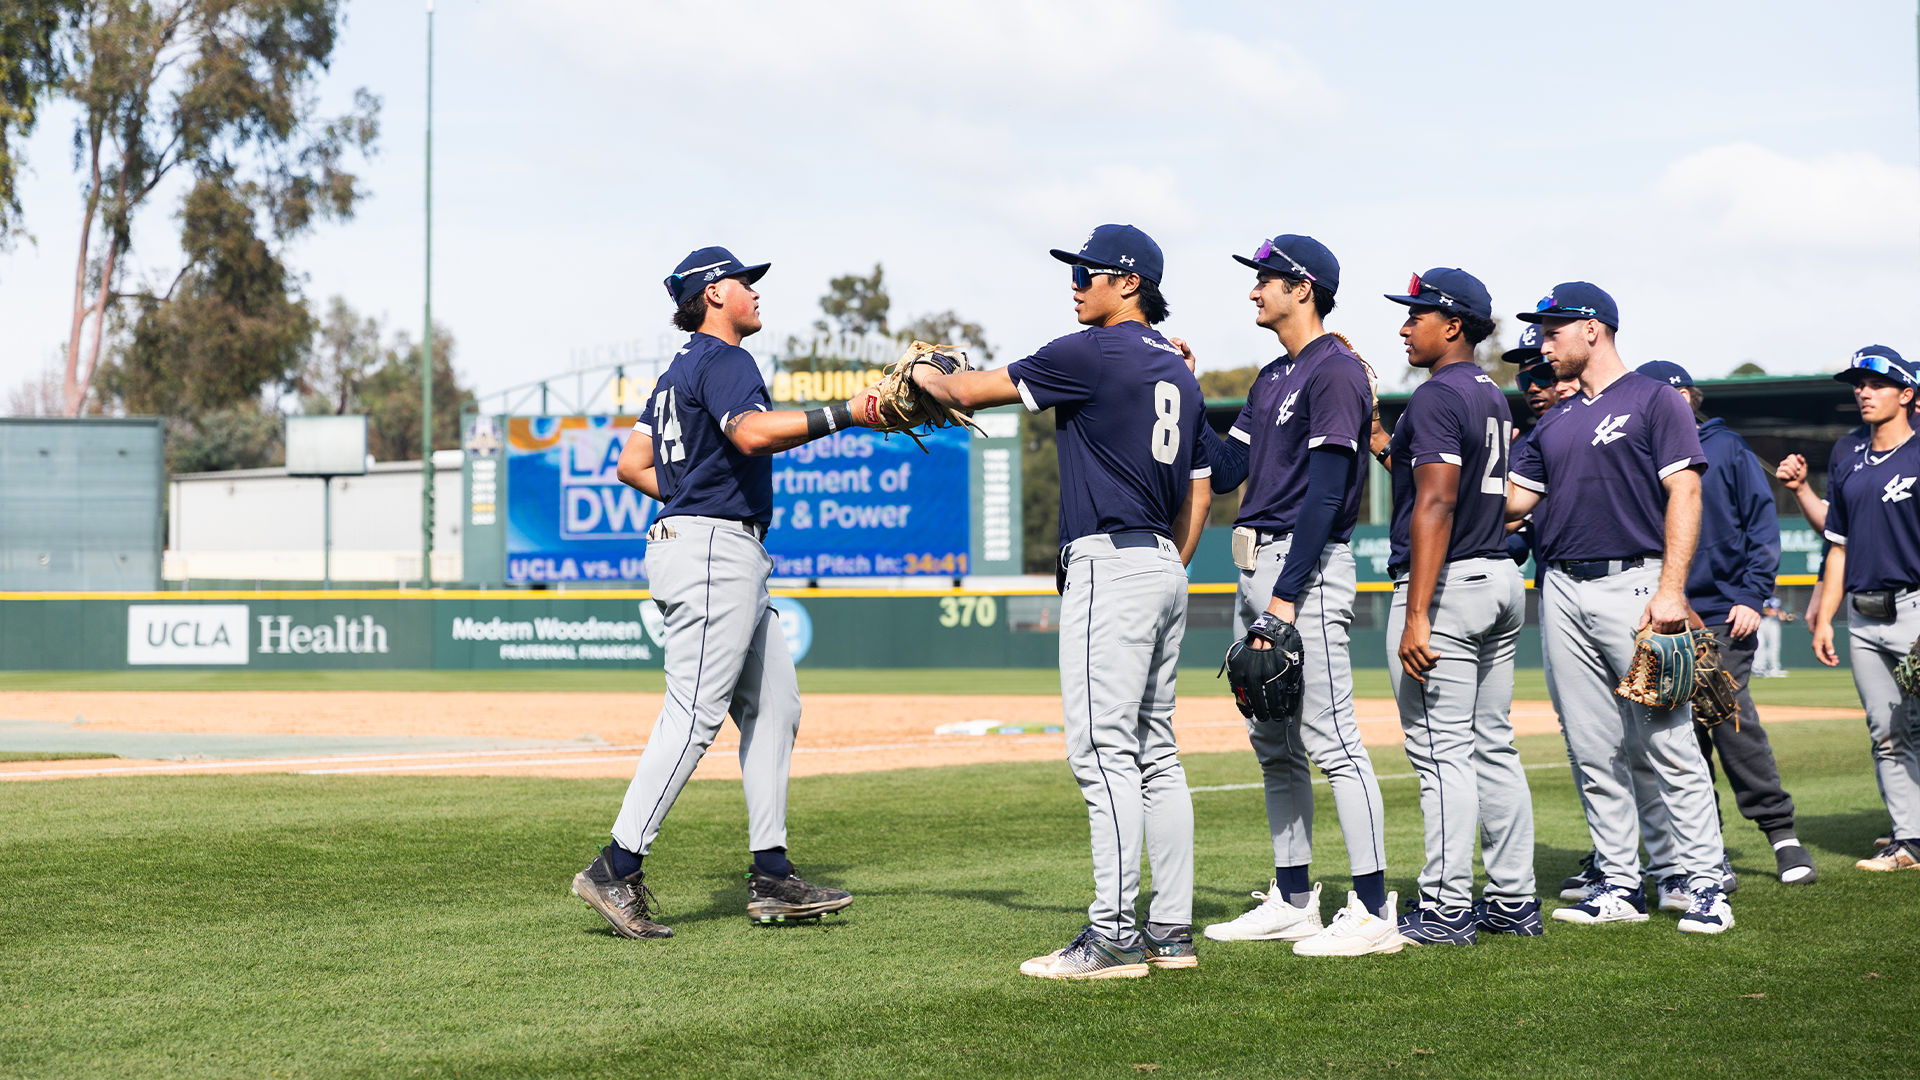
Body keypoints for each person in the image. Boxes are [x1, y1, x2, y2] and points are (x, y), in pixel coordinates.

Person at [913, 223, 1214, 977]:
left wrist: (922, 373)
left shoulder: (1091, 350)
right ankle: (1170, 930)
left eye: (1090, 271)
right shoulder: (1179, 370)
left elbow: (958, 391)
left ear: (1130, 283)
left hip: (1111, 562)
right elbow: (1202, 482)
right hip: (1160, 562)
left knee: (1103, 751)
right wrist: (1171, 563)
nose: (1076, 282)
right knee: (1155, 753)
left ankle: (1112, 933)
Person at [571, 246, 883, 938]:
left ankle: (772, 875)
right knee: (693, 716)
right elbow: (749, 433)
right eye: (746, 281)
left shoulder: (673, 376)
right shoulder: (727, 361)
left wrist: (685, 496)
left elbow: (630, 464)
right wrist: (847, 413)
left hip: (709, 544)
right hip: (713, 549)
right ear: (714, 294)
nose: (755, 291)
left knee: (775, 704)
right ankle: (616, 866)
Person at [1186, 234, 1399, 957]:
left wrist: (1286, 597)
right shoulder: (1274, 375)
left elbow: (1330, 491)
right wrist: (1186, 394)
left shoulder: (1335, 371)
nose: (1254, 289)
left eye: (1266, 279)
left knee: (1332, 740)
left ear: (1302, 288)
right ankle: (1293, 898)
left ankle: (1374, 910)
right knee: (1273, 741)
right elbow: (1228, 470)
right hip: (1254, 562)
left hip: (1299, 572)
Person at [1505, 282, 1733, 934]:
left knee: (1667, 743)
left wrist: (1670, 590)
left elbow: (1685, 493)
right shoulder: (1555, 418)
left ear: (1593, 329)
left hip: (1635, 587)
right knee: (1592, 747)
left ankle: (1705, 885)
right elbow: (1513, 504)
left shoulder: (1654, 400)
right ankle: (1621, 884)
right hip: (1562, 591)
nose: (1544, 343)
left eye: (1553, 330)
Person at [1377, 268, 1538, 944]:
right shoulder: (1489, 395)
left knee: (1442, 751)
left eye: (1419, 314)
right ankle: (1512, 900)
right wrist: (1386, 443)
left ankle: (1445, 910)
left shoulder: (1439, 395)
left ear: (1455, 325)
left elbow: (1438, 501)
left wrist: (1418, 611)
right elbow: (1443, 485)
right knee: (1492, 746)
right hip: (1497, 576)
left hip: (1449, 586)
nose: (1406, 324)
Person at [1639, 361, 1815, 886]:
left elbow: (1760, 523)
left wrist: (1751, 596)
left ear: (1691, 396)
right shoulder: (1642, 453)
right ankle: (1705, 849)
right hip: (1661, 615)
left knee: (1728, 720)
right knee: (1677, 734)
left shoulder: (1726, 447)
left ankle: (1780, 833)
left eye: (1677, 394)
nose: (1671, 403)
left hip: (1722, 612)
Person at [1810, 345, 1920, 873]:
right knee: (1887, 731)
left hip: (1916, 608)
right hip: (1863, 616)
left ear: (1906, 393)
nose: (1864, 391)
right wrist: (1826, 616)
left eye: (1876, 383)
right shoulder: (1846, 453)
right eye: (1858, 383)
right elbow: (1839, 544)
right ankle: (1910, 841)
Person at [1754, 597, 1786, 678]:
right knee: (1760, 645)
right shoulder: (1760, 594)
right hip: (1761, 620)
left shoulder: (1775, 599)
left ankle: (1774, 669)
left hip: (1773, 621)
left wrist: (1781, 614)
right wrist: (1769, 611)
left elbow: (1778, 612)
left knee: (1774, 646)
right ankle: (1758, 668)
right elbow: (1765, 610)